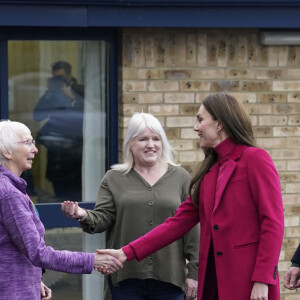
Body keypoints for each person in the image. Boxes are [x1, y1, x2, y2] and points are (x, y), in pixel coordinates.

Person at [97, 93, 285, 300]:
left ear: (219, 123)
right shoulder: (210, 170)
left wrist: (262, 279)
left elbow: (273, 223)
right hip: (213, 281)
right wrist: (126, 253)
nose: (196, 127)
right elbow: (176, 223)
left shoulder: (255, 159)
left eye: (200, 119)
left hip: (248, 280)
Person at [61, 112, 200, 300]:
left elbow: (193, 230)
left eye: (156, 139)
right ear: (130, 145)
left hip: (170, 279)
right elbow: (102, 218)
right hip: (125, 278)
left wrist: (194, 272)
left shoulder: (181, 177)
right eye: (143, 139)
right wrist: (81, 214)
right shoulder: (114, 178)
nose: (150, 145)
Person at [0, 120, 123, 300]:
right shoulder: (10, 194)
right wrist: (92, 260)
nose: (35, 149)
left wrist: (34, 280)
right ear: (7, 151)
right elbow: (37, 252)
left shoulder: (12, 188)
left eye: (33, 142)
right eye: (27, 143)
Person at [33, 61, 84, 201]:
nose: (58, 81)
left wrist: (72, 96)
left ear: (69, 75)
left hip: (76, 151)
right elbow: (37, 115)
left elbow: (92, 114)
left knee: (76, 193)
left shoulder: (79, 90)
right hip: (56, 151)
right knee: (60, 192)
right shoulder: (51, 93)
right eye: (55, 78)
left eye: (61, 77)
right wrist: (49, 93)